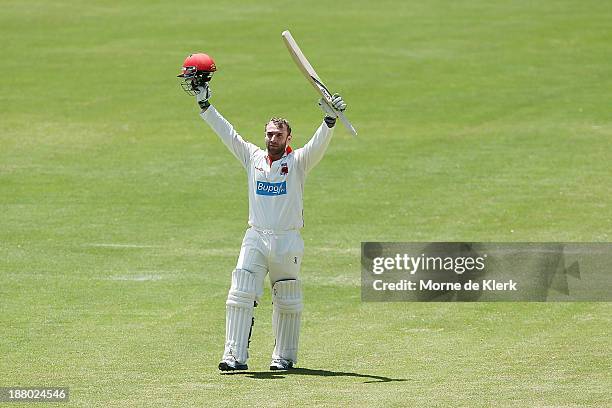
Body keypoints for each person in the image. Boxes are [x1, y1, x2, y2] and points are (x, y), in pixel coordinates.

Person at [178, 53, 347, 371]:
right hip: (255, 236)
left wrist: (329, 121)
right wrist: (204, 105)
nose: (271, 139)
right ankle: (234, 355)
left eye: (278, 135)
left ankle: (283, 357)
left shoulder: (297, 163)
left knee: (288, 300)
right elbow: (227, 133)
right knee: (240, 292)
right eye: (269, 134)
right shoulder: (252, 157)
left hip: (287, 240)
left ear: (288, 138)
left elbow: (318, 146)